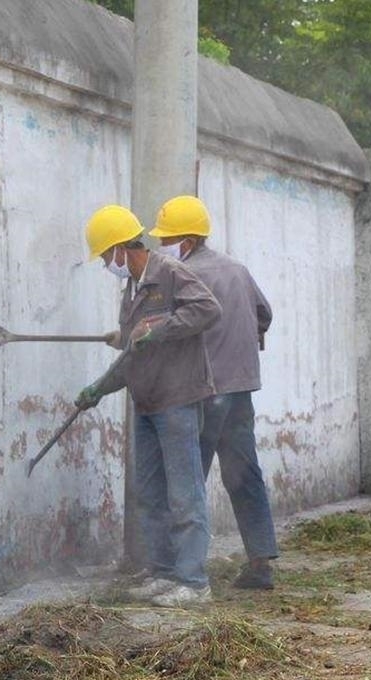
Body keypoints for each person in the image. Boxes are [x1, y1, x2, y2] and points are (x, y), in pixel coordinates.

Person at [76, 204, 221, 607]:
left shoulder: (170, 272)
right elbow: (133, 355)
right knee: (151, 493)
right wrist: (100, 388)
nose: (106, 264)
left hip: (178, 399)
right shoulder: (132, 290)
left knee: (185, 493)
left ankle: (193, 582)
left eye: (106, 256)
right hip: (147, 402)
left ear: (121, 248)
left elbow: (208, 309)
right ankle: (163, 572)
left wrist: (159, 329)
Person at [147, 195, 278, 590]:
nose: (161, 246)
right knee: (244, 472)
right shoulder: (237, 269)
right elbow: (265, 314)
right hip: (240, 388)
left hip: (202, 391)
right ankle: (260, 561)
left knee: (186, 481)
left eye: (166, 239)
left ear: (186, 241)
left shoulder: (181, 276)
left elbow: (168, 330)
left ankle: (181, 570)